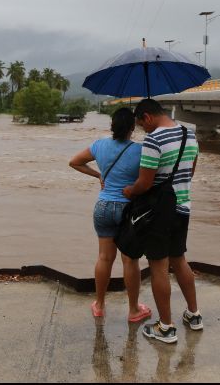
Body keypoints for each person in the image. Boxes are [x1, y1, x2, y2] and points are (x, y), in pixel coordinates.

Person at [123, 99, 201, 344]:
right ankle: (194, 315)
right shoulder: (190, 134)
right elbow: (190, 172)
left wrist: (130, 191)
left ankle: (166, 328)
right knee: (179, 260)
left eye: (142, 125)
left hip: (160, 213)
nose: (143, 131)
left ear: (147, 117)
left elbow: (145, 182)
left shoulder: (154, 139)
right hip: (183, 207)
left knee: (159, 267)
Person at [69, 107, 152, 323]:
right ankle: (134, 310)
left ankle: (99, 305)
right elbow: (148, 181)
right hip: (127, 210)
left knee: (104, 258)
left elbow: (75, 162)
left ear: (112, 126)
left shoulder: (100, 145)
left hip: (103, 206)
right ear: (132, 128)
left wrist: (99, 175)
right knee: (130, 261)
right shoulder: (141, 150)